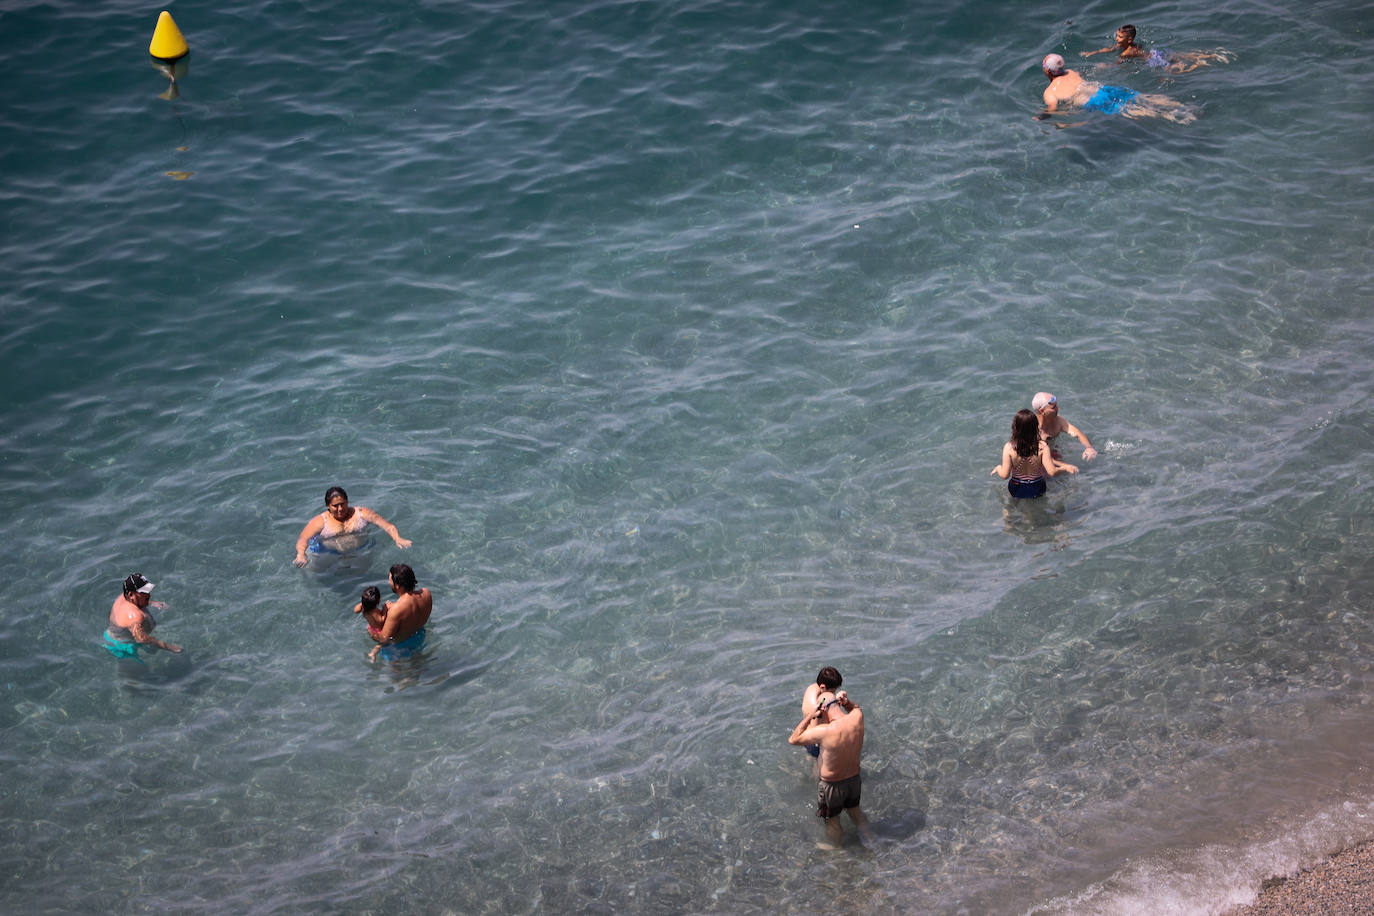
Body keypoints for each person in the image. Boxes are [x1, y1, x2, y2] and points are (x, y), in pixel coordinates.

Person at [788, 689, 870, 844]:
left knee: (832, 820)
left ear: (823, 709)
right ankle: (871, 839)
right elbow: (855, 708)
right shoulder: (857, 717)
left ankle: (836, 853)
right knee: (855, 811)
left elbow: (793, 739)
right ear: (839, 704)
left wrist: (811, 716)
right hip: (854, 780)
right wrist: (847, 702)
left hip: (832, 785)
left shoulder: (825, 731)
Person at [1039, 53, 1195, 124]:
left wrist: (1039, 118)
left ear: (1047, 71)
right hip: (1103, 89)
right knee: (1144, 97)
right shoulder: (1071, 72)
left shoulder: (1050, 92)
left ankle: (1175, 117)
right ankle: (1180, 105)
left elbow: (1052, 109)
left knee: (1129, 110)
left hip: (1093, 101)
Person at [293, 486, 411, 568]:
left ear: (347, 501)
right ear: (328, 506)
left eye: (342, 504)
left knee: (361, 577)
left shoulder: (361, 513)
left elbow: (387, 526)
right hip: (328, 553)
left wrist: (397, 538)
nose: (340, 509)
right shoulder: (320, 521)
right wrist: (301, 554)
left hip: (360, 550)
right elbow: (303, 538)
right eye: (335, 506)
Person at [991, 409, 1078, 498]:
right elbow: (1052, 472)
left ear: (1015, 427)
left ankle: (1006, 511)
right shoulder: (1042, 447)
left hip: (1016, 488)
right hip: (1037, 487)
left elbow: (1005, 475)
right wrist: (1065, 468)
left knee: (1010, 503)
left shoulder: (1009, 447)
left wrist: (998, 468)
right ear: (1036, 427)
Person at [1081, 24, 1231, 74]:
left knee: (1175, 72)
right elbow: (1109, 49)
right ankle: (1210, 55)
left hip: (1153, 61)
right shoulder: (1125, 45)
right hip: (1156, 53)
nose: (1116, 39)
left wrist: (1104, 66)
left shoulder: (1127, 52)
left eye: (1120, 37)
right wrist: (1093, 52)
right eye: (1117, 35)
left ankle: (1199, 64)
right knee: (1178, 55)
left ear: (1129, 40)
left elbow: (1117, 64)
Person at [105, 573, 181, 658]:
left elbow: (136, 601)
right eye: (143, 592)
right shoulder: (135, 616)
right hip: (123, 646)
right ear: (130, 594)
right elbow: (141, 639)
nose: (148, 595)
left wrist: (152, 603)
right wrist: (169, 647)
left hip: (112, 635)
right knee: (139, 671)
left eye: (148, 591)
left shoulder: (123, 596)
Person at [368, 563, 432, 660]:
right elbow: (411, 611)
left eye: (390, 580)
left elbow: (384, 639)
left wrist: (371, 632)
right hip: (419, 637)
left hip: (398, 648)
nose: (389, 582)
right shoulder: (426, 593)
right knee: (417, 669)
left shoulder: (396, 610)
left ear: (397, 585)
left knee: (397, 674)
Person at [1032, 392, 1097, 461]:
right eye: (1053, 407)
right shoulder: (1030, 427)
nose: (1058, 408)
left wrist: (1089, 447)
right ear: (1042, 411)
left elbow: (1077, 433)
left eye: (1056, 405)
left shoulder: (1058, 421)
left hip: (1052, 452)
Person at [800, 667, 843, 760]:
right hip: (814, 743)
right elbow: (817, 731)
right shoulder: (818, 706)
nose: (833, 694)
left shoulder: (812, 687)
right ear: (823, 687)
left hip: (806, 736)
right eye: (832, 691)